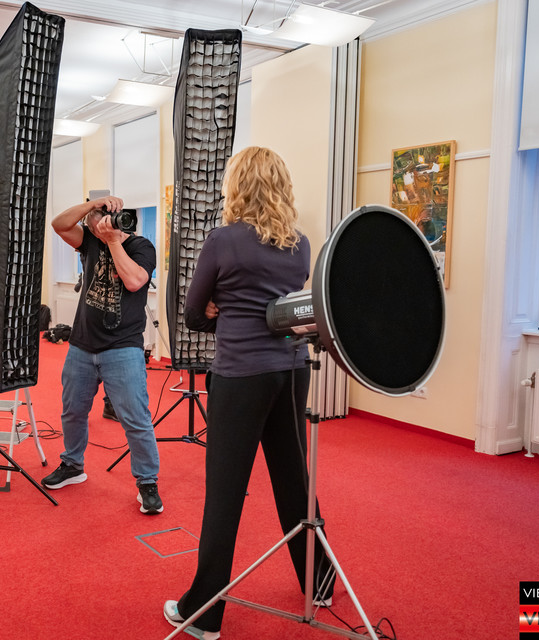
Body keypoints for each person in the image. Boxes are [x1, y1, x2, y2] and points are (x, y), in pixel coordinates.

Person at [164, 147, 335, 639]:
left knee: (225, 492)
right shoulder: (300, 245)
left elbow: (192, 313)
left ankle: (204, 614)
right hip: (291, 371)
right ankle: (320, 580)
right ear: (281, 186)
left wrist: (217, 310)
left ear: (237, 187)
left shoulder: (223, 240)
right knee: (293, 480)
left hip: (240, 377)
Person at [42, 195, 163, 515]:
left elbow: (135, 281)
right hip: (81, 345)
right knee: (73, 412)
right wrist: (91, 205)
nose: (97, 230)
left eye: (101, 225)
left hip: (123, 348)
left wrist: (113, 241)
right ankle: (72, 464)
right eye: (94, 226)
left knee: (135, 418)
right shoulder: (90, 241)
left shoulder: (140, 246)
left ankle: (147, 482)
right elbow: (58, 224)